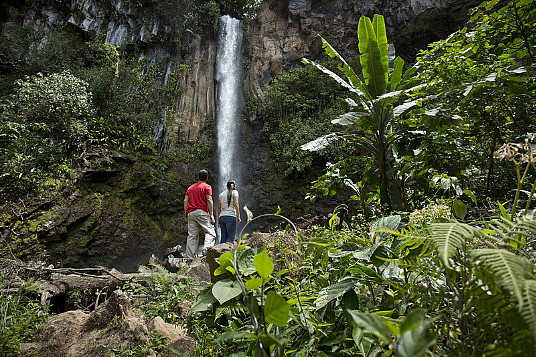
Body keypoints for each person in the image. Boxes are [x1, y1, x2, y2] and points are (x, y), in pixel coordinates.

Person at [184, 169, 216, 260]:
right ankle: (206, 250)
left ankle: (189, 258)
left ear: (198, 177)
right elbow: (209, 200)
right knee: (210, 232)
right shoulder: (207, 187)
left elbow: (185, 200)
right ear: (207, 178)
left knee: (192, 236)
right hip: (202, 212)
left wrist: (186, 213)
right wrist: (212, 214)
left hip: (191, 213)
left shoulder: (190, 188)